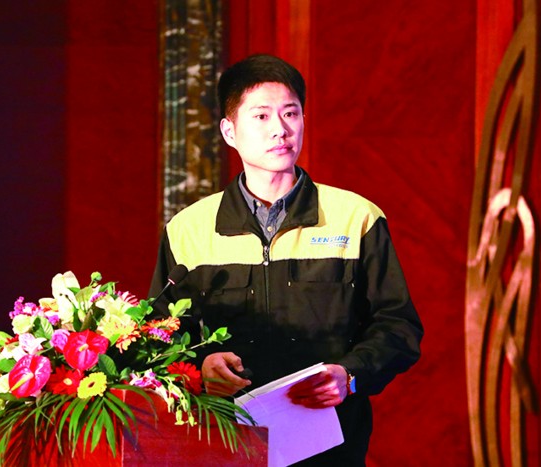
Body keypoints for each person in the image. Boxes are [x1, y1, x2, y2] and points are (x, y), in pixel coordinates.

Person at [149, 54, 423, 465]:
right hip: (224, 442)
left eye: (290, 113)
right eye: (261, 116)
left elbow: (398, 326)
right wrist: (201, 366)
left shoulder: (357, 217)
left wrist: (350, 375)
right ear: (229, 131)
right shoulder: (188, 229)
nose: (280, 129)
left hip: (332, 444)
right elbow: (160, 336)